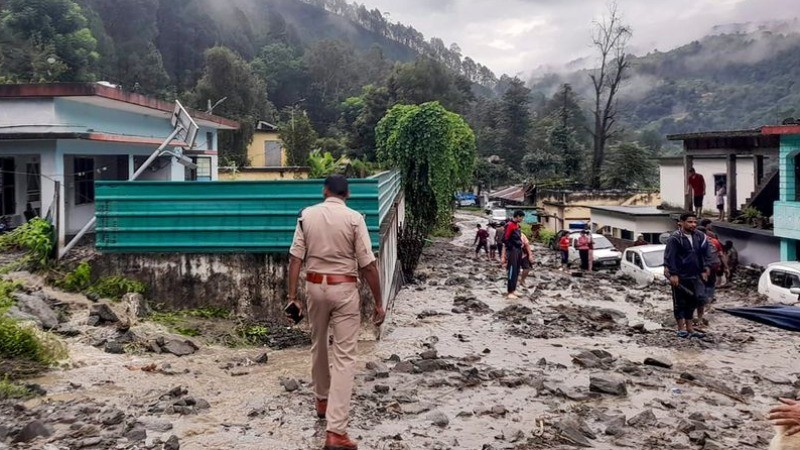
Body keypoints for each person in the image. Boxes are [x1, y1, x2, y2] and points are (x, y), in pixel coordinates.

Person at [286, 175, 385, 450]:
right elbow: (368, 265)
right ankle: (336, 432)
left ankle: (322, 399)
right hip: (344, 290)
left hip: (314, 287)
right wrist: (379, 302)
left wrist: (292, 297)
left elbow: (295, 258)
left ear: (324, 191)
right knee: (344, 357)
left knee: (318, 345)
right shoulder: (355, 219)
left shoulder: (307, 215)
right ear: (347, 194)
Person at [663, 212, 714, 339]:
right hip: (680, 275)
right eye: (690, 222)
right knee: (679, 301)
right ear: (681, 222)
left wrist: (705, 268)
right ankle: (681, 329)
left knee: (693, 301)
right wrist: (673, 274)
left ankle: (690, 328)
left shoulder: (699, 236)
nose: (693, 224)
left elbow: (706, 253)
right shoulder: (675, 238)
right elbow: (670, 257)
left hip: (695, 274)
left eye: (695, 222)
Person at [696, 226, 724, 328]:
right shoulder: (715, 242)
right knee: (710, 285)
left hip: (702, 269)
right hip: (713, 267)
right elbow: (721, 255)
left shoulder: (696, 242)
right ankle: (709, 303)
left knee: (702, 288)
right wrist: (725, 267)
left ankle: (705, 304)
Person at [502, 211, 525, 299]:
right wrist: (511, 248)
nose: (522, 219)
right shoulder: (510, 225)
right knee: (511, 270)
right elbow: (505, 239)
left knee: (517, 270)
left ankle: (514, 290)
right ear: (518, 216)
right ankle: (510, 292)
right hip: (512, 251)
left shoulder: (518, 226)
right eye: (522, 217)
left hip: (518, 250)